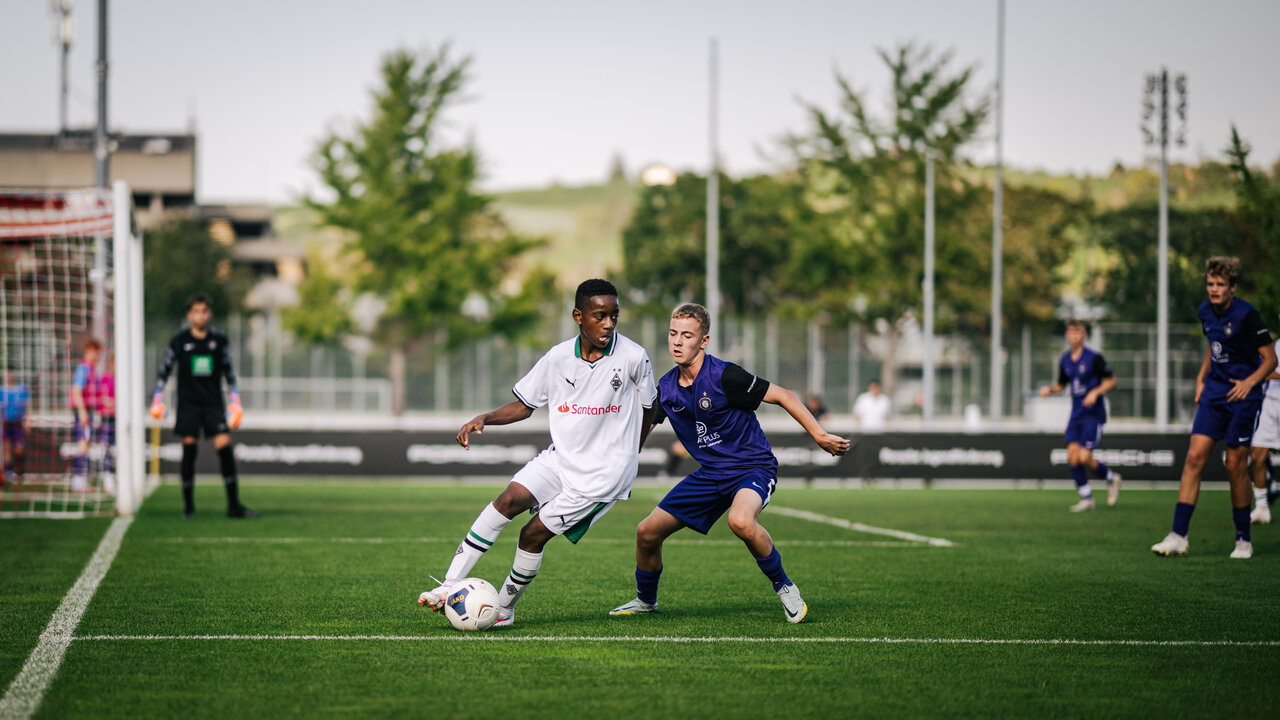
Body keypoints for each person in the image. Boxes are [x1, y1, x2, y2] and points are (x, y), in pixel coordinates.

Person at [418, 279, 656, 627]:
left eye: (614, 316)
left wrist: (632, 451)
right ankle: (448, 585)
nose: (608, 324)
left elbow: (651, 407)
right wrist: (485, 418)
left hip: (601, 477)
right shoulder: (558, 357)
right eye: (600, 316)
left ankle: (503, 610)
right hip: (561, 459)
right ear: (578, 316)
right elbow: (525, 405)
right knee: (507, 501)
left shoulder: (633, 357)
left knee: (531, 535)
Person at [609, 303, 850, 623]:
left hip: (752, 467)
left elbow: (785, 396)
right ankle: (645, 601)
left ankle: (784, 586)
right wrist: (618, 461)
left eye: (687, 335)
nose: (677, 342)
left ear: (704, 341)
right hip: (711, 475)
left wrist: (819, 435)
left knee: (740, 521)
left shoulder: (726, 376)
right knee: (647, 532)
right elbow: (640, 431)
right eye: (672, 333)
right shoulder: (665, 388)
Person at [1152, 257, 1277, 559]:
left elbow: (1271, 359)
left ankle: (1243, 540)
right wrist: (1200, 379)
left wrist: (1249, 382)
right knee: (1194, 458)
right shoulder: (1204, 311)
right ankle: (1178, 536)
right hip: (1214, 393)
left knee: (1234, 465)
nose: (1214, 289)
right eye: (1210, 283)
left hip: (1244, 397)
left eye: (1220, 284)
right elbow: (1214, 344)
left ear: (1232, 287)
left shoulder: (1247, 315)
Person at [151, 292, 254, 519]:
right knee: (189, 450)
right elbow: (165, 369)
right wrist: (157, 396)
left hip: (213, 403)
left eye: (204, 311)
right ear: (190, 315)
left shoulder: (219, 340)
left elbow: (228, 371)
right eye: (196, 312)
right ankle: (188, 508)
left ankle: (234, 506)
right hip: (188, 404)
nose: (201, 315)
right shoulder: (180, 340)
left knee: (224, 448)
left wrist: (235, 400)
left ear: (210, 314)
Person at [1038, 319, 1122, 512]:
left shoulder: (1094, 358)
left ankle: (1111, 478)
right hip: (1076, 414)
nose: (1075, 336)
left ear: (1084, 335)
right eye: (1072, 332)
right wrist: (1049, 390)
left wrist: (1095, 392)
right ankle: (1087, 498)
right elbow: (1061, 385)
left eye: (1079, 332)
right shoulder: (1064, 360)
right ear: (1067, 335)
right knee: (1072, 457)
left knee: (1084, 457)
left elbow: (1111, 381)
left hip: (1093, 414)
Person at [1249, 324, 1280, 524]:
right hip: (1270, 404)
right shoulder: (1276, 345)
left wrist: (1266, 372)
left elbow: (1269, 371)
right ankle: (1261, 507)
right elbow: (1267, 371)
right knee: (1257, 456)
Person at [69, 339, 101, 492]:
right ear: (87, 351)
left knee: (85, 444)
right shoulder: (84, 368)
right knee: (83, 444)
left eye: (97, 351)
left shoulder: (91, 369)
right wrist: (82, 412)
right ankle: (78, 481)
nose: (96, 355)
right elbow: (76, 391)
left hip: (88, 410)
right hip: (83, 410)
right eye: (93, 351)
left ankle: (80, 480)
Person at [1, 370, 30, 487]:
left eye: (11, 374)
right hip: (5, 423)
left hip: (18, 423)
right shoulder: (2, 390)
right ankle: (8, 474)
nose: (10, 376)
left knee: (19, 449)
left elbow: (27, 405)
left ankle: (19, 473)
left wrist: (28, 420)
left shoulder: (21, 389)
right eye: (8, 374)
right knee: (7, 448)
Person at [97, 355, 117, 495]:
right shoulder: (105, 379)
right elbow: (102, 398)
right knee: (106, 448)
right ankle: (107, 478)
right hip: (107, 418)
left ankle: (118, 476)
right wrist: (114, 403)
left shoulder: (122, 380)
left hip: (119, 419)